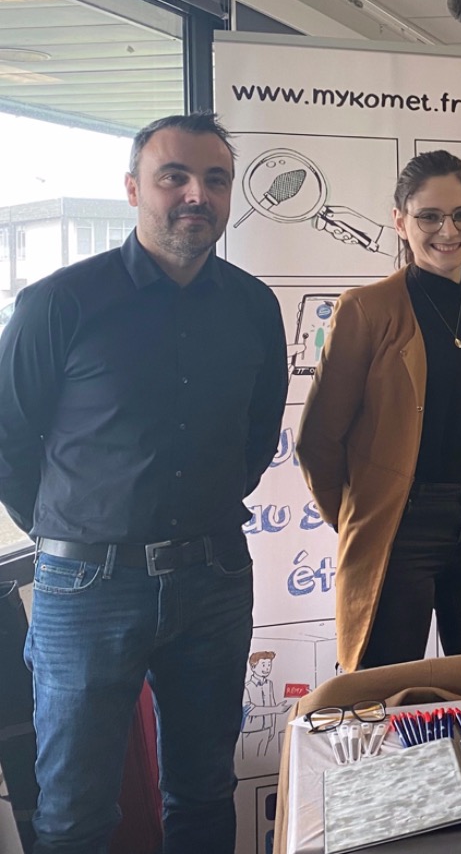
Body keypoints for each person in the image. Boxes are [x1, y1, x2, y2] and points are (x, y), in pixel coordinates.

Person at [0, 113, 288, 854]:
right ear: (133, 189)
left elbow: (258, 434)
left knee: (204, 794)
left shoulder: (253, 306)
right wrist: (75, 526)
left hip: (213, 577)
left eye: (215, 180)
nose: (197, 194)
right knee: (74, 813)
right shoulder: (59, 303)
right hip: (86, 586)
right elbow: (8, 441)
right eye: (174, 177)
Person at [296, 150, 461, 672]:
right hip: (402, 526)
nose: (447, 231)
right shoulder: (366, 309)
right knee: (384, 690)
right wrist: (361, 517)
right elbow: (318, 439)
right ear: (399, 221)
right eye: (429, 216)